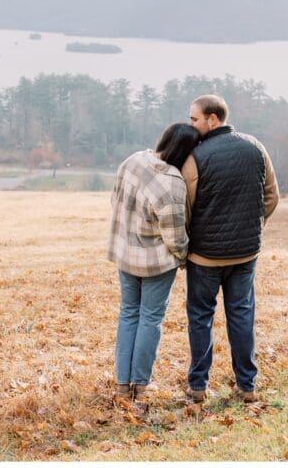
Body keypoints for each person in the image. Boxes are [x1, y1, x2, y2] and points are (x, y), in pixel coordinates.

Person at [181, 94, 279, 404]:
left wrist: (189, 241)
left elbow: (186, 207)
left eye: (195, 119)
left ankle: (198, 386)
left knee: (200, 317)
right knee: (241, 315)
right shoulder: (256, 147)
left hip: (203, 256)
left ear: (213, 119)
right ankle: (247, 385)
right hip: (245, 253)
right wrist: (251, 225)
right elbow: (272, 197)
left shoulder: (195, 157)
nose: (191, 124)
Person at [108, 122, 201, 407]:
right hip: (156, 264)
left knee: (128, 315)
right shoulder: (172, 181)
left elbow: (115, 198)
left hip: (125, 254)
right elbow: (175, 236)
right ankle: (140, 384)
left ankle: (123, 384)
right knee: (150, 318)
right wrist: (184, 258)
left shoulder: (133, 160)